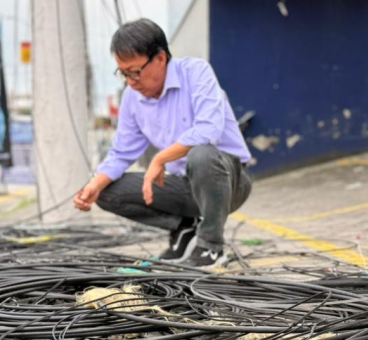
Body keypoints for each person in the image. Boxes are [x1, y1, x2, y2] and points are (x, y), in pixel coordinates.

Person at [73, 19, 252, 268]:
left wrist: (160, 159)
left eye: (135, 71)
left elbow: (208, 130)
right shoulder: (132, 99)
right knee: (106, 191)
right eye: (123, 73)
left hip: (228, 182)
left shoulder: (196, 73)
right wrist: (94, 184)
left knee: (201, 154)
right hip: (183, 185)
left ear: (160, 58)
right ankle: (184, 229)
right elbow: (122, 153)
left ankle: (211, 247)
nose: (130, 81)